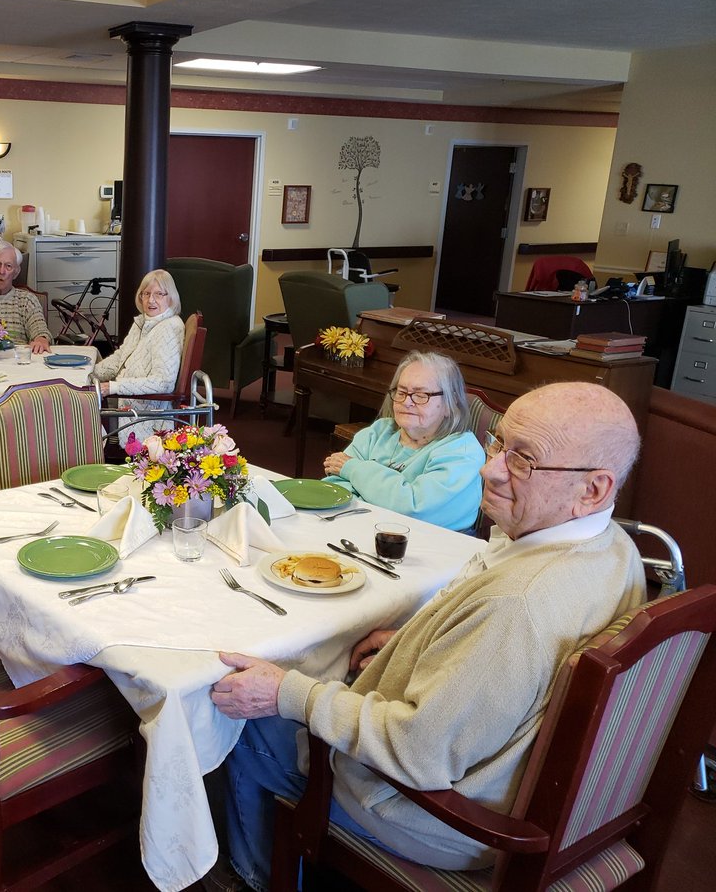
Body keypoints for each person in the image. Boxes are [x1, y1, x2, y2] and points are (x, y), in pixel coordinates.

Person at [209, 382, 646, 892]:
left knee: (242, 718)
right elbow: (505, 672)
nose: (491, 468)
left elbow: (417, 754)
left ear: (593, 489)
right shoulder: (616, 549)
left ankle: (256, 878)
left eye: (524, 461)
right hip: (517, 779)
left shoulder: (516, 603)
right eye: (499, 443)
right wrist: (410, 641)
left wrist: (287, 693)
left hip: (446, 819)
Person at [321, 351, 485, 532]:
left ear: (450, 403)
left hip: (431, 545)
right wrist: (382, 501)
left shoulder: (462, 452)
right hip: (361, 529)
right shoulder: (379, 431)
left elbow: (413, 509)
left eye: (421, 395)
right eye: (402, 392)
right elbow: (333, 486)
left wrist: (353, 469)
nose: (407, 402)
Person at [92, 269, 185, 437]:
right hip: (127, 402)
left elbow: (164, 382)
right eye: (146, 293)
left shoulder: (168, 329)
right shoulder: (144, 321)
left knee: (78, 414)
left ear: (170, 297)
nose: (151, 300)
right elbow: (121, 357)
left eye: (159, 294)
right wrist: (92, 373)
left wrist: (114, 386)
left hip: (142, 416)